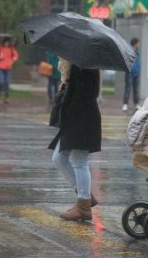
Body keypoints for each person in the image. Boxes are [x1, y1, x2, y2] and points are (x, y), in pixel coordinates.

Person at [48, 58, 101, 221]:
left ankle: (84, 206)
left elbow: (81, 96)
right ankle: (84, 196)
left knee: (79, 161)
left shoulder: (83, 67)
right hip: (75, 119)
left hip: (82, 118)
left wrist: (67, 87)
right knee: (58, 157)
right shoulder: (78, 68)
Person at [0, 37, 19, 104]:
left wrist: (13, 60)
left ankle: (6, 98)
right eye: (5, 42)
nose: (7, 43)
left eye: (8, 42)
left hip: (8, 68)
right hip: (0, 68)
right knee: (1, 83)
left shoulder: (11, 49)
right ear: (3, 42)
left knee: (7, 83)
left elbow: (16, 56)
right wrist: (0, 57)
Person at [122, 38, 141, 111]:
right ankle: (125, 104)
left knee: (136, 89)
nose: (139, 44)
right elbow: (127, 61)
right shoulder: (129, 51)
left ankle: (136, 104)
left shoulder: (137, 51)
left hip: (136, 73)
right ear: (135, 43)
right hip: (129, 73)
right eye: (138, 43)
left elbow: (137, 62)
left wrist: (138, 69)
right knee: (128, 89)